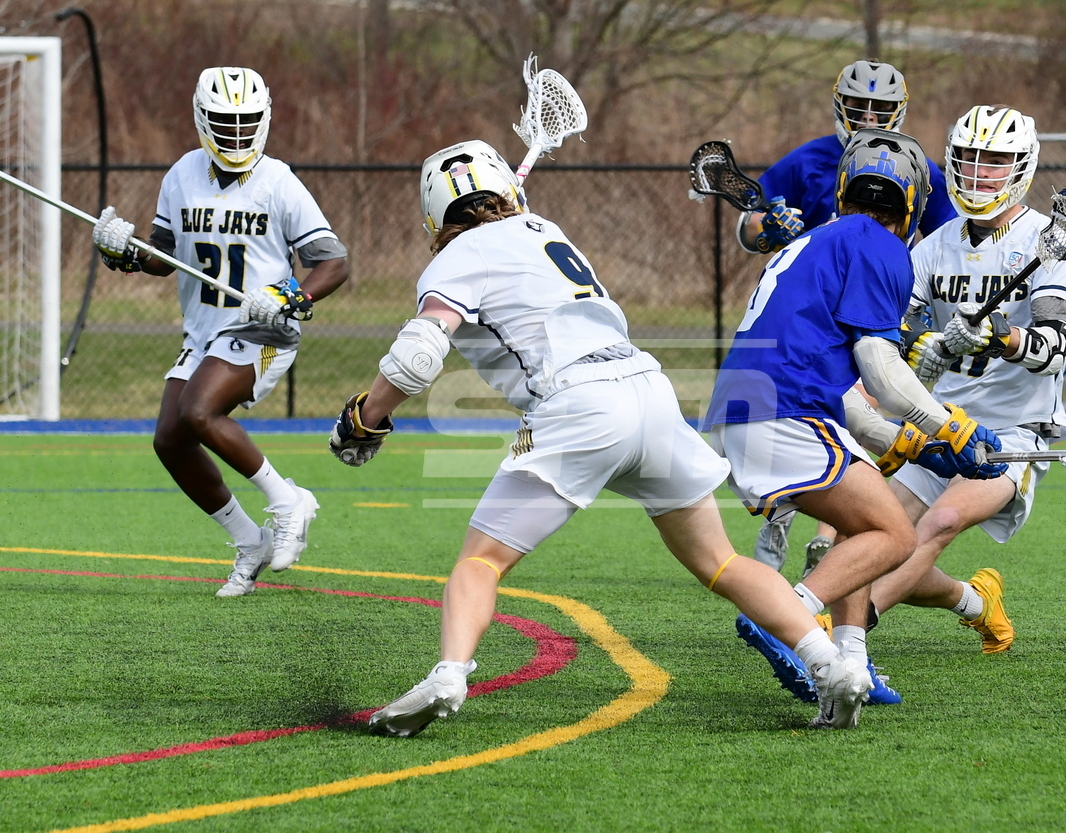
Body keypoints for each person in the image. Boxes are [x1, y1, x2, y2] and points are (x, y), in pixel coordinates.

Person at [329, 139, 876, 735]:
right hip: (648, 389)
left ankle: (449, 674)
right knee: (721, 562)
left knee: (481, 561)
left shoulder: (457, 255)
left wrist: (367, 417)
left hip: (578, 404)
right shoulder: (545, 229)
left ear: (435, 214)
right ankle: (832, 665)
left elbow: (418, 354)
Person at [702, 128, 1007, 723]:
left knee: (858, 526)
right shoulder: (879, 244)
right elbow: (878, 367)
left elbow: (832, 379)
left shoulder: (816, 241)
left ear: (843, 191)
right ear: (912, 204)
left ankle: (850, 665)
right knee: (894, 536)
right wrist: (947, 426)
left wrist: (904, 441)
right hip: (785, 409)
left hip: (746, 407)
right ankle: (790, 614)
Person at [92, 66, 349, 597]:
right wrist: (125, 250)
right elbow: (164, 257)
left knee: (198, 411)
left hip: (263, 329)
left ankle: (289, 501)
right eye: (224, 122)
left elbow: (333, 262)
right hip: (205, 333)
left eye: (245, 122)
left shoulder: (278, 181)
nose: (236, 133)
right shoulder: (182, 174)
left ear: (264, 119)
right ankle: (249, 540)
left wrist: (289, 295)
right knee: (170, 440)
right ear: (201, 119)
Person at [864, 104, 1066, 654]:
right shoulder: (933, 246)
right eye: (969, 158)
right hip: (942, 425)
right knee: (878, 540)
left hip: (1014, 433)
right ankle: (975, 601)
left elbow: (1056, 346)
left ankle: (846, 628)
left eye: (995, 161)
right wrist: (923, 345)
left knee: (939, 522)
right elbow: (893, 326)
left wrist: (997, 337)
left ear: (1022, 166)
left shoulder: (1051, 242)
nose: (980, 171)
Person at [741, 59, 960, 576]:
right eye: (858, 106)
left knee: (859, 407)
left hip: (873, 305)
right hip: (808, 312)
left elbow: (946, 240)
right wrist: (768, 228)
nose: (868, 117)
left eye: (880, 109)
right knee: (840, 407)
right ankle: (801, 509)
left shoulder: (917, 167)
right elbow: (750, 226)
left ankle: (821, 527)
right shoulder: (808, 160)